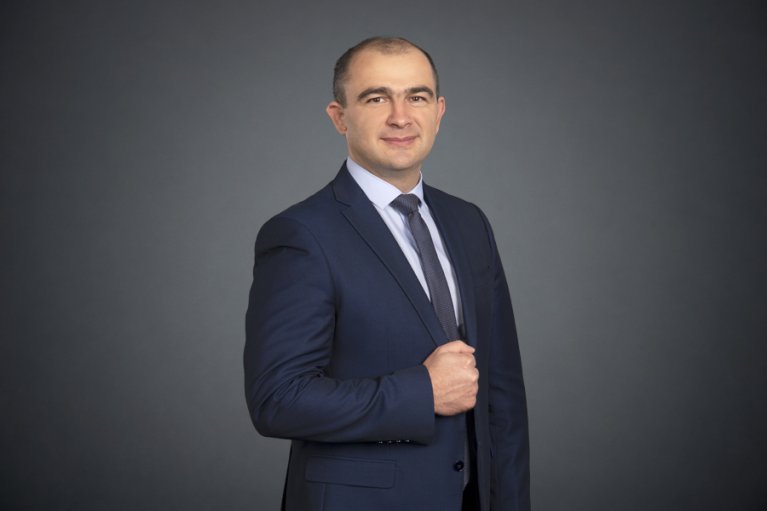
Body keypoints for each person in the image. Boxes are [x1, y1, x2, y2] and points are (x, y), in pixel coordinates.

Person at [244, 36, 529, 511]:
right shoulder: (301, 234)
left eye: (417, 97)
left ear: (438, 111)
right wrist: (422, 392)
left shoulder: (469, 222)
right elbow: (277, 399)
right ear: (340, 117)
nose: (401, 116)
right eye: (377, 98)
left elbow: (502, 393)